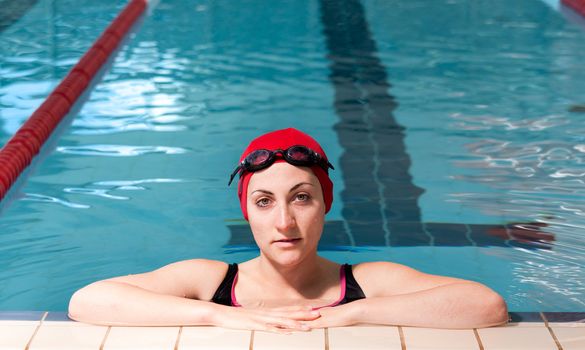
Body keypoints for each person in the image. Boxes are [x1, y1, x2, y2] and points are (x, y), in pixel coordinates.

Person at [68, 128, 508, 333]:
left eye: (302, 197)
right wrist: (220, 314)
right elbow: (88, 301)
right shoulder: (211, 282)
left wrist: (351, 312)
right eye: (264, 202)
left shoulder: (366, 284)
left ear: (324, 206)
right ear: (247, 213)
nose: (284, 222)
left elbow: (485, 305)